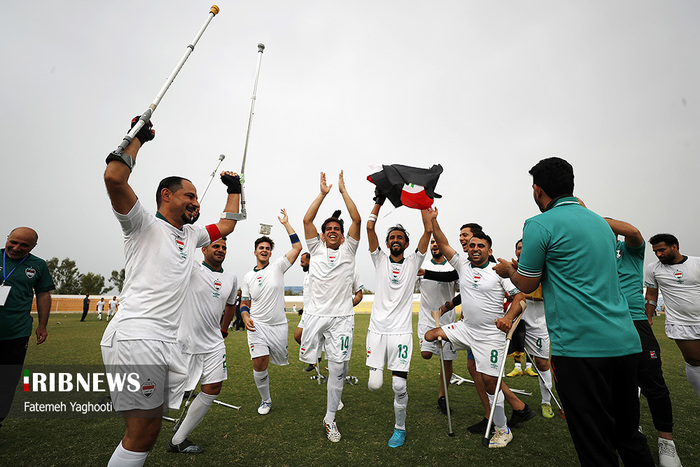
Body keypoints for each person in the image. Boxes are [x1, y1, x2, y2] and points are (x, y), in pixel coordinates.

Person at [493, 156, 653, 466]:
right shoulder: (600, 223)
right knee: (629, 435)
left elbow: (526, 284)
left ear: (538, 190)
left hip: (580, 349)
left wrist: (507, 272)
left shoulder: (538, 224)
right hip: (624, 341)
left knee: (594, 443)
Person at [101, 116, 241, 466]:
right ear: (167, 195)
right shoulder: (142, 223)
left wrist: (235, 188)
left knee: (146, 432)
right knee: (142, 431)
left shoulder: (191, 236)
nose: (196, 202)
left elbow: (227, 225)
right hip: (138, 334)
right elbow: (113, 177)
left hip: (164, 339)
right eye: (189, 195)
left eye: (196, 197)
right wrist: (138, 138)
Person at [425, 219, 526, 449]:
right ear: (467, 249)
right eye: (472, 245)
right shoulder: (462, 265)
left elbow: (520, 298)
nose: (475, 249)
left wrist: (508, 319)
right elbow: (442, 241)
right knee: (431, 335)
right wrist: (433, 219)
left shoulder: (498, 270)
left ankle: (502, 430)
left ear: (489, 250)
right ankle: (499, 421)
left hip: (491, 335)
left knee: (490, 383)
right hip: (465, 329)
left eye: (481, 246)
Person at [602, 219, 681, 467]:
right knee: (614, 385)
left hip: (634, 321)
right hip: (603, 325)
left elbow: (634, 232)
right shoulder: (591, 253)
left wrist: (592, 217)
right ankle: (629, 427)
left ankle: (666, 442)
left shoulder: (629, 250)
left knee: (653, 384)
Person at [299, 171, 361, 443]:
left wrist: (343, 192)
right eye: (329, 229)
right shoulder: (315, 250)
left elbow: (357, 220)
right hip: (315, 316)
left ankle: (329, 419)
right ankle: (331, 394)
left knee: (339, 368)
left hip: (342, 319)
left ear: (342, 234)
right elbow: (306, 219)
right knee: (311, 360)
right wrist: (323, 194)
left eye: (337, 228)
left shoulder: (349, 249)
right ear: (323, 235)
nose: (333, 231)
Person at [365, 197, 431, 448]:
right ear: (386, 242)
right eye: (391, 237)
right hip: (377, 331)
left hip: (401, 332)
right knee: (374, 385)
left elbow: (428, 231)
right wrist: (378, 202)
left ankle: (399, 428)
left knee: (398, 383)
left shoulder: (414, 262)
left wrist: (425, 203)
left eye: (399, 237)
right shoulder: (379, 259)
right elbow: (369, 228)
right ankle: (380, 378)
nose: (395, 240)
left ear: (406, 243)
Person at [167, 237, 238, 454]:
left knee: (213, 388)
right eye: (216, 246)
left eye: (224, 247)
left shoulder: (231, 278)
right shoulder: (192, 268)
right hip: (184, 340)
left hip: (214, 343)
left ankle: (178, 440)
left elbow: (230, 304)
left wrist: (224, 329)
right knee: (164, 389)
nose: (220, 250)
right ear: (204, 249)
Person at [241, 209, 302, 415]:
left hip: (278, 325)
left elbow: (297, 247)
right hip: (257, 325)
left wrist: (286, 224)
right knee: (260, 362)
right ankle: (265, 400)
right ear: (255, 251)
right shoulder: (248, 276)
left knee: (275, 361)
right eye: (261, 248)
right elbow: (244, 302)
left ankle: (266, 396)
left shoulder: (278, 266)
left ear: (270, 252)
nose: (265, 250)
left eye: (268, 248)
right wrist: (245, 316)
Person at [0, 227, 55, 427]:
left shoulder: (38, 265)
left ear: (33, 247)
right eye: (13, 242)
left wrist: (42, 324)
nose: (16, 247)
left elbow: (43, 295)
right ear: (7, 238)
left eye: (24, 245)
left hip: (16, 334)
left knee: (7, 382)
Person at [644, 233, 700, 399]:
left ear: (675, 246)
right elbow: (651, 295)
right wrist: (649, 317)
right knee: (694, 361)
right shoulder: (653, 269)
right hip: (680, 323)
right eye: (655, 252)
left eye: (662, 250)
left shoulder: (696, 263)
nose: (658, 254)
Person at [511, 239, 555, 420]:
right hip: (517, 321)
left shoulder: (543, 268)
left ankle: (547, 401)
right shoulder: (512, 270)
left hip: (538, 323)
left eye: (525, 247)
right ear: (516, 252)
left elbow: (547, 294)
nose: (522, 250)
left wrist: (522, 294)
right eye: (519, 248)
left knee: (542, 363)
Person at [417, 237, 458, 415]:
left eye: (437, 242)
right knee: (426, 354)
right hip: (427, 320)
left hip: (448, 320)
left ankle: (443, 396)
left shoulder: (453, 267)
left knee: (446, 360)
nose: (434, 245)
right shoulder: (422, 266)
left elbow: (462, 290)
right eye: (432, 242)